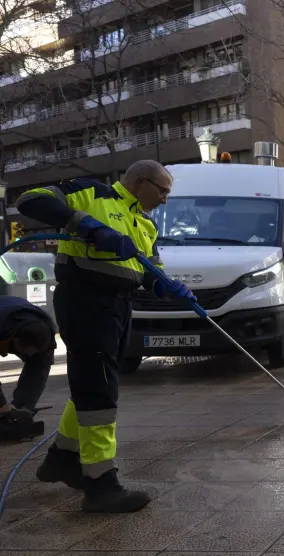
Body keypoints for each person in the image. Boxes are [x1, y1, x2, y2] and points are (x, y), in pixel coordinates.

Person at [16, 160, 196, 513]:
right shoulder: (91, 193)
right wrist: (89, 226)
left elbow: (148, 268)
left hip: (119, 305)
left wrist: (165, 284)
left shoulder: (145, 223)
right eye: (162, 191)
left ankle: (61, 458)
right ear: (141, 181)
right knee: (99, 389)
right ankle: (101, 485)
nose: (164, 200)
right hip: (85, 300)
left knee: (94, 382)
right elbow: (30, 200)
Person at [0, 296, 57, 441]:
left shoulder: (46, 336)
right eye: (23, 351)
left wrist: (21, 408)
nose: (28, 355)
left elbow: (38, 372)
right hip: (5, 320)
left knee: (38, 363)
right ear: (13, 339)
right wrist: (1, 404)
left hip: (17, 322)